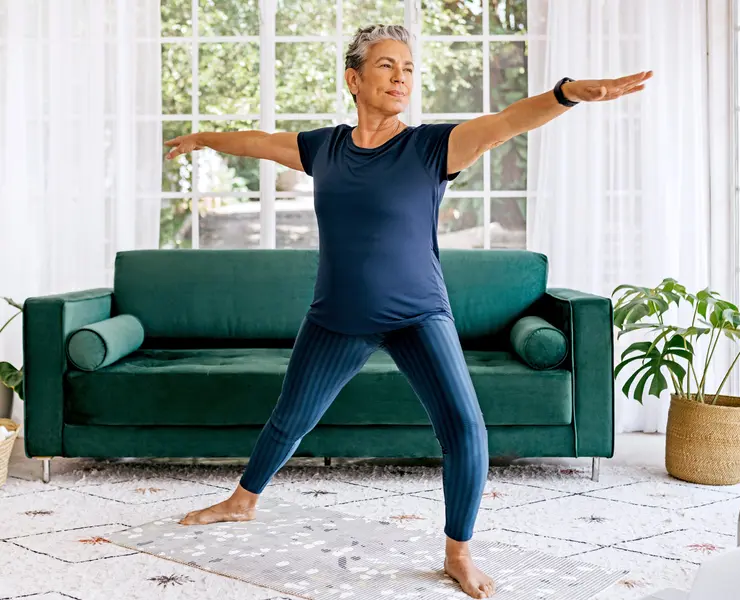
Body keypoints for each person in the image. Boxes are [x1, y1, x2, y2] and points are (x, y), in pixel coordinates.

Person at [165, 24, 652, 599]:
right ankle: (242, 502)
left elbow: (505, 123)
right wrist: (204, 137)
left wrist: (567, 93)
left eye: (408, 68)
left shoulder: (430, 147)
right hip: (337, 314)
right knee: (289, 417)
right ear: (354, 78)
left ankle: (458, 552)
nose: (401, 77)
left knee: (465, 428)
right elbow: (258, 140)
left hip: (418, 312)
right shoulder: (323, 148)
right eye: (386, 66)